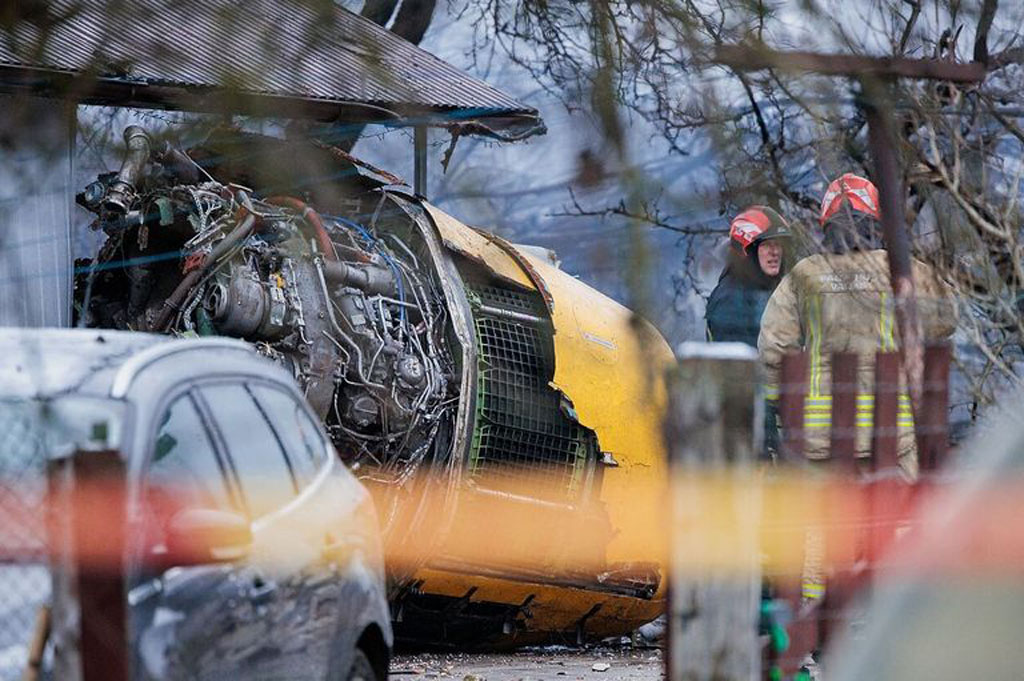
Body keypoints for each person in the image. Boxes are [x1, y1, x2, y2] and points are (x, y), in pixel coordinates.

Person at [758, 172, 956, 476]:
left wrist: (777, 408)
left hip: (820, 438)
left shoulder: (804, 274)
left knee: (828, 522)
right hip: (892, 435)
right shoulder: (901, 270)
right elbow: (947, 318)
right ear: (875, 220)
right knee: (899, 519)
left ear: (826, 222)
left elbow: (774, 348)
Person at [706, 206, 791, 347]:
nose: (775, 252)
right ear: (747, 252)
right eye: (766, 245)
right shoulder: (731, 300)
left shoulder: (775, 290)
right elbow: (742, 362)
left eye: (778, 245)